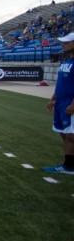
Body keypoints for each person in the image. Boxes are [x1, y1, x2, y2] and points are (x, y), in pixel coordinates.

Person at [43, 32, 74, 174]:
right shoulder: (66, 61)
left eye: (67, 43)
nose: (64, 45)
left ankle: (69, 167)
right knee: (63, 133)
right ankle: (68, 163)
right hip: (61, 102)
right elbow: (61, 84)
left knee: (71, 136)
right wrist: (53, 99)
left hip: (70, 103)